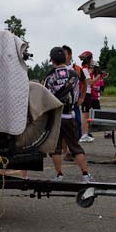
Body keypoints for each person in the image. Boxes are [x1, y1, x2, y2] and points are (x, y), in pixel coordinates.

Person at [43, 47, 93, 184]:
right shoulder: (74, 75)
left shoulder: (50, 77)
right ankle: (85, 175)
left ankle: (59, 175)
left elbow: (47, 98)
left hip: (56, 118)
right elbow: (77, 96)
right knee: (75, 147)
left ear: (52, 60)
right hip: (69, 115)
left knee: (55, 149)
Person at [61, 45, 84, 138]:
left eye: (65, 54)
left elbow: (85, 83)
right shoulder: (59, 69)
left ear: (70, 55)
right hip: (62, 103)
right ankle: (66, 150)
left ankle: (75, 145)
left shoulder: (77, 69)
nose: (62, 56)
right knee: (63, 128)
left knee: (77, 124)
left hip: (74, 104)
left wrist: (82, 97)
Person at [78, 50, 95, 143]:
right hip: (86, 94)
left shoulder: (85, 69)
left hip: (87, 94)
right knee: (85, 116)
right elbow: (90, 82)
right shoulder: (84, 69)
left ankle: (85, 133)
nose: (92, 60)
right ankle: (84, 135)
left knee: (86, 115)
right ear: (88, 59)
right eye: (91, 58)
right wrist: (98, 76)